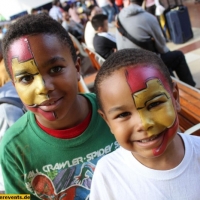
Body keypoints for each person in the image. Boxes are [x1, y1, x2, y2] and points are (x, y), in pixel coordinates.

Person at [0, 13, 118, 197]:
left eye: (55, 69)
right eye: (26, 78)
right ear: (15, 86)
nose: (43, 88)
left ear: (77, 68)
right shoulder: (12, 149)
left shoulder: (115, 110)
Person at [90, 48, 200, 199]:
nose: (144, 123)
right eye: (123, 114)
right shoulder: (108, 174)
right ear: (107, 121)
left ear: (175, 98)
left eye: (154, 104)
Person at [116, 0, 196, 87]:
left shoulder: (118, 18)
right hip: (146, 64)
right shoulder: (148, 17)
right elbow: (162, 47)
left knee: (164, 58)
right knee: (177, 56)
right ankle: (191, 87)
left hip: (127, 66)